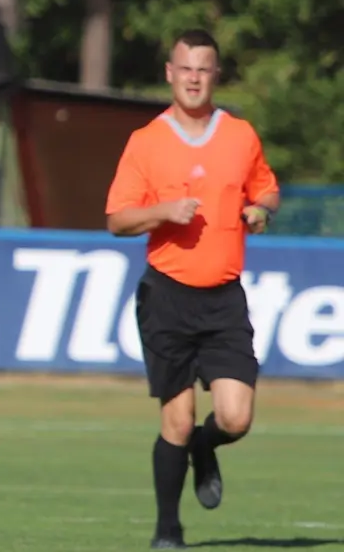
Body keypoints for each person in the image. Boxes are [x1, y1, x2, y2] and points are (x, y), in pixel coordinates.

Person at [105, 28, 279, 551]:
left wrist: (261, 209)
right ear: (170, 74)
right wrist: (162, 212)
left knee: (236, 417)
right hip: (168, 296)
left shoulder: (241, 136)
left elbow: (266, 187)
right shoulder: (146, 141)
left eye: (204, 69)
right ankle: (168, 531)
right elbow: (117, 219)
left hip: (224, 298)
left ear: (216, 75)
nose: (194, 78)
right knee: (175, 420)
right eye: (185, 68)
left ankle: (209, 445)